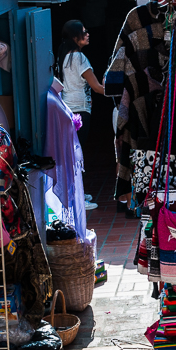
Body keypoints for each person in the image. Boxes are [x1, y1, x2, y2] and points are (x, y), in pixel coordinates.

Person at [57, 20, 105, 210]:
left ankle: (76, 192)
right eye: (84, 32)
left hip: (68, 107)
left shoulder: (64, 55)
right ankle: (77, 198)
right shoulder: (79, 58)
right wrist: (118, 89)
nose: (87, 34)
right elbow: (96, 87)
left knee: (72, 152)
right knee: (77, 154)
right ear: (75, 37)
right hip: (80, 109)